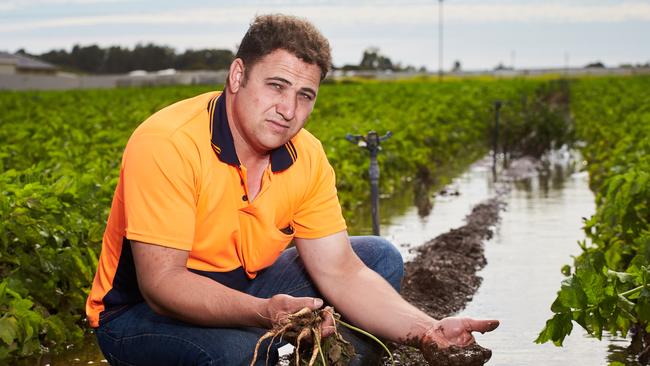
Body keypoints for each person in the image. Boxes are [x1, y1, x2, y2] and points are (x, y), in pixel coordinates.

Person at [86, 14, 499, 365]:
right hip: (139, 314)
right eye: (276, 86)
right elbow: (163, 286)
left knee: (379, 259)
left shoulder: (307, 155)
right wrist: (266, 312)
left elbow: (341, 270)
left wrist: (428, 332)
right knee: (242, 353)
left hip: (245, 289)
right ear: (237, 76)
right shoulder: (169, 142)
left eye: (305, 95)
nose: (289, 110)